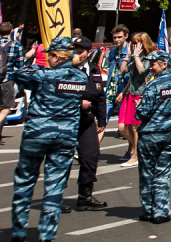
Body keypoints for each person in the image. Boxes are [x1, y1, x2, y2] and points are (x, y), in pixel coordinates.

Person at [10, 37, 88, 242]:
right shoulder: (80, 77)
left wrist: (31, 60)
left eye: (49, 56)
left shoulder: (43, 75)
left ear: (55, 56)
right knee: (55, 187)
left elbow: (17, 74)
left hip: (37, 134)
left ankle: (19, 232)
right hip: (65, 136)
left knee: (24, 182)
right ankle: (47, 235)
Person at [134, 50, 171, 224]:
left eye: (153, 64)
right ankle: (161, 211)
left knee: (147, 173)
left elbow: (142, 112)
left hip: (151, 135)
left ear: (164, 65)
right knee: (163, 174)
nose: (151, 68)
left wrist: (138, 105)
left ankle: (149, 210)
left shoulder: (153, 85)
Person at [70, 37, 108, 212]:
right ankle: (54, 198)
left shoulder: (93, 69)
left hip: (87, 120)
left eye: (81, 50)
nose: (78, 53)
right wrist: (79, 102)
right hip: (69, 120)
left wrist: (101, 119)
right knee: (62, 160)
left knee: (91, 155)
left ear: (87, 52)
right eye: (75, 50)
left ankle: (85, 196)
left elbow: (100, 95)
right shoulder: (67, 70)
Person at [118, 32, 156, 169]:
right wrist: (127, 55)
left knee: (135, 127)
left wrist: (135, 57)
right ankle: (137, 149)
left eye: (136, 43)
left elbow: (142, 71)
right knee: (123, 126)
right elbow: (122, 71)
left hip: (141, 94)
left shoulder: (149, 57)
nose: (134, 45)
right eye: (133, 43)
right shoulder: (136, 56)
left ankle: (136, 155)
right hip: (130, 93)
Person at [0, 21, 25, 144]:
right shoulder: (16, 45)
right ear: (11, 31)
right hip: (6, 79)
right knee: (5, 108)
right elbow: (20, 66)